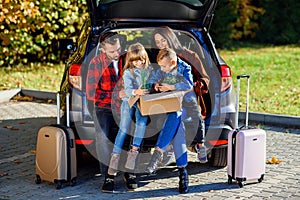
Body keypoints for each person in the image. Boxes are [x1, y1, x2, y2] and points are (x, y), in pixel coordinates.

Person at [86, 32, 136, 193]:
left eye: (118, 50)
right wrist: (116, 95)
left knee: (132, 134)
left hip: (126, 105)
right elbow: (91, 93)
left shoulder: (126, 58)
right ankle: (108, 175)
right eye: (112, 51)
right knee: (102, 136)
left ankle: (130, 172)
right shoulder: (96, 63)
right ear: (103, 49)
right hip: (104, 107)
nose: (117, 54)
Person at [151, 26, 209, 164]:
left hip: (187, 95)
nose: (160, 45)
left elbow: (204, 78)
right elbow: (154, 77)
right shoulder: (159, 59)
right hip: (169, 98)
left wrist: (193, 86)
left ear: (170, 38)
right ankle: (169, 149)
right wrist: (155, 86)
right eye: (157, 42)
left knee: (196, 114)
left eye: (163, 40)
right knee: (165, 118)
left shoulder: (188, 56)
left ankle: (200, 145)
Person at [146, 48, 194, 194]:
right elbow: (152, 79)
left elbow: (189, 85)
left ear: (173, 63)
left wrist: (171, 87)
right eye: (160, 66)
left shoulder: (185, 67)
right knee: (177, 125)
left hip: (184, 106)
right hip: (166, 106)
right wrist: (154, 85)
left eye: (164, 67)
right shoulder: (163, 66)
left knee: (177, 115)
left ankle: (159, 151)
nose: (162, 69)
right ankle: (182, 172)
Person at [106, 42, 152, 192]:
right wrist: (136, 92)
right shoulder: (128, 72)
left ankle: (131, 161)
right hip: (129, 102)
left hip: (143, 103)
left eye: (141, 59)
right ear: (130, 61)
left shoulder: (148, 70)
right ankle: (111, 170)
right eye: (135, 60)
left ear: (145, 58)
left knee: (142, 122)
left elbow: (151, 84)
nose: (139, 63)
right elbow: (128, 90)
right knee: (124, 129)